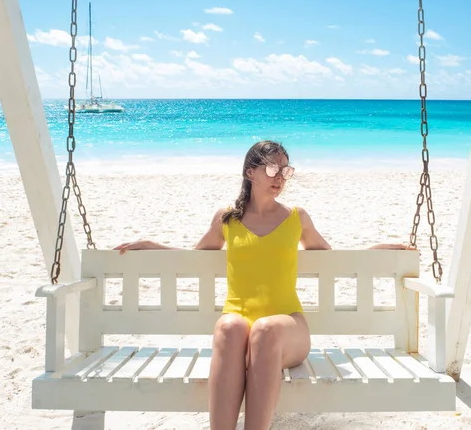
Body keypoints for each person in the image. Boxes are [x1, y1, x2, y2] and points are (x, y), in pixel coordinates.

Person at [114, 140, 410, 430]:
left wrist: (381, 249)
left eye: (285, 170)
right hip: (239, 332)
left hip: (287, 330)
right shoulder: (227, 218)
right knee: (230, 326)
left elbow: (336, 260)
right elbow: (195, 258)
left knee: (265, 329)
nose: (280, 177)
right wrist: (153, 245)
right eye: (272, 169)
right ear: (250, 172)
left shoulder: (297, 217)